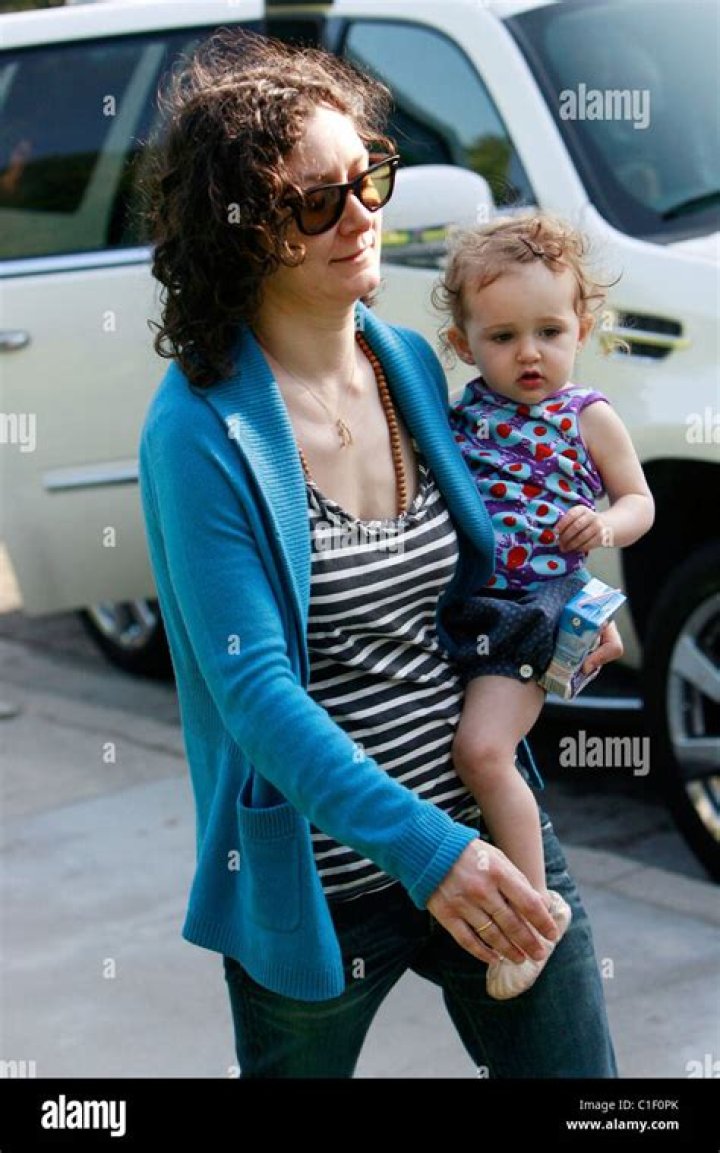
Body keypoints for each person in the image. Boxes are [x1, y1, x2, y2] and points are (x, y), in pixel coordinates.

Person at [138, 29, 622, 1078]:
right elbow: (254, 694)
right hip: (326, 888)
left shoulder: (405, 359)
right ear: (240, 230)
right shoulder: (198, 431)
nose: (362, 216)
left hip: (488, 837)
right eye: (317, 202)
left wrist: (568, 616)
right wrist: (428, 855)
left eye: (367, 179)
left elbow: (498, 559)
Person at [434, 215, 655, 999]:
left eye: (550, 331)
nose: (529, 353)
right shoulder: (461, 413)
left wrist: (605, 524)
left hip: (539, 602)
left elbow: (639, 500)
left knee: (482, 753)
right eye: (503, 336)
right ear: (463, 344)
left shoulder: (586, 415)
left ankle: (535, 910)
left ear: (581, 328)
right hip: (479, 604)